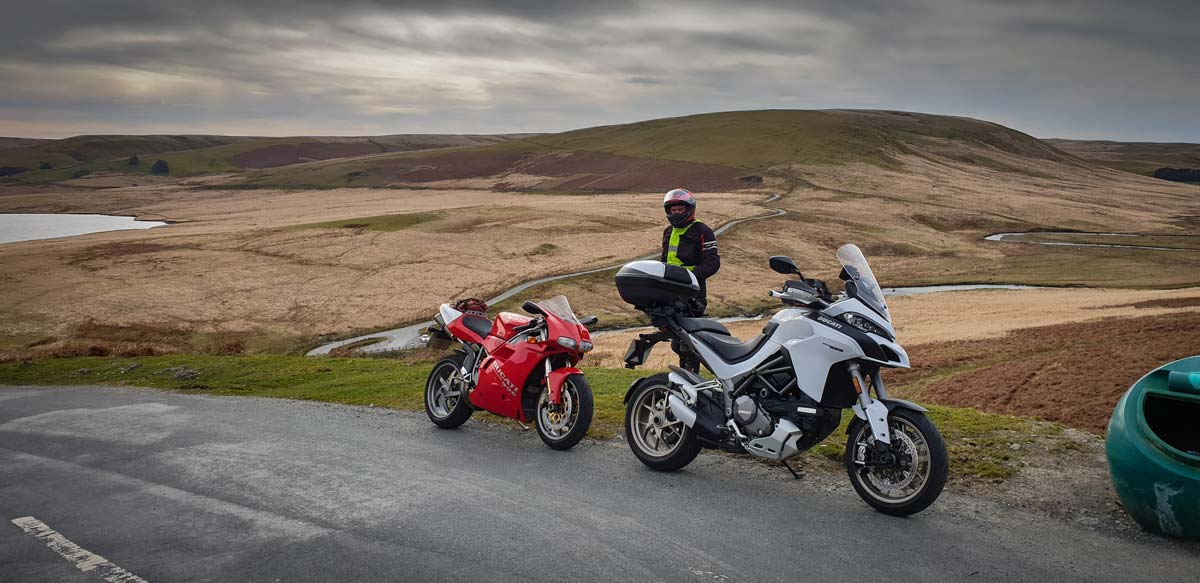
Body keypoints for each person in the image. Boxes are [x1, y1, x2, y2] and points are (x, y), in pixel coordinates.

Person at [659, 188, 720, 372]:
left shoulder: (703, 231)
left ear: (689, 209)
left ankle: (693, 377)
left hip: (694, 294)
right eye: (673, 210)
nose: (676, 213)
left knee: (690, 342)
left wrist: (689, 275)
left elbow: (712, 263)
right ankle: (683, 377)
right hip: (671, 294)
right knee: (677, 341)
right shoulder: (668, 231)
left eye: (680, 209)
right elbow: (664, 261)